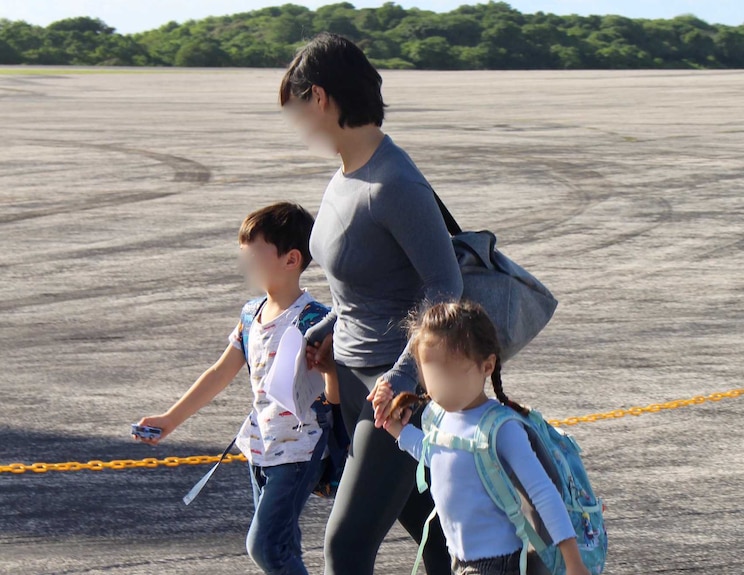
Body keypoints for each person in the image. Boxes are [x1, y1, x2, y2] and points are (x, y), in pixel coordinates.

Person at [279, 32, 461, 575]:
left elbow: (446, 287)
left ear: (320, 98)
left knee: (346, 546)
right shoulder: (345, 176)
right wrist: (326, 328)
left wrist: (403, 378)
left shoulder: (395, 183)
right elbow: (364, 284)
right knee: (441, 538)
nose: (296, 125)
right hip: (357, 382)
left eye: (295, 108)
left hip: (395, 393)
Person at [132, 202, 340, 575]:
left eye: (253, 257)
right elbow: (219, 372)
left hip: (300, 450)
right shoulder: (250, 314)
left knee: (263, 546)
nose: (245, 266)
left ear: (291, 259)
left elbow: (335, 390)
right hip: (260, 445)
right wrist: (170, 419)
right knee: (282, 547)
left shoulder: (315, 320)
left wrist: (329, 370)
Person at [374, 300, 590, 575]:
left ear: (486, 366)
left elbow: (543, 493)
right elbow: (436, 455)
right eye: (432, 374)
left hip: (501, 565)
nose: (440, 385)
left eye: (451, 372)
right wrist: (398, 430)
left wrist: (573, 563)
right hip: (460, 562)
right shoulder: (438, 416)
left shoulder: (502, 429)